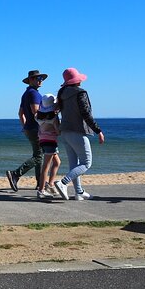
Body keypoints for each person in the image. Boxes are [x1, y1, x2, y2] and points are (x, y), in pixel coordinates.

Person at [53, 68, 105, 201]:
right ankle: (63, 183)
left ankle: (79, 192)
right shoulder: (80, 93)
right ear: (77, 80)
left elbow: (55, 111)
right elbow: (86, 113)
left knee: (74, 164)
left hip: (65, 132)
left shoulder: (62, 93)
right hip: (77, 132)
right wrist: (98, 130)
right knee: (86, 163)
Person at [6, 70, 46, 192]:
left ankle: (40, 183)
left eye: (41, 78)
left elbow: (20, 114)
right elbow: (36, 112)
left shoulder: (26, 93)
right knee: (39, 156)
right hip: (36, 128)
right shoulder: (34, 93)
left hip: (30, 128)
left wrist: (25, 126)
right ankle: (16, 174)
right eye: (37, 78)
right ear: (31, 80)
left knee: (39, 155)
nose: (40, 80)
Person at [36, 94, 61, 199]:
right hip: (51, 142)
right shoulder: (54, 118)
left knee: (57, 162)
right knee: (46, 166)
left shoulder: (38, 117)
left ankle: (50, 184)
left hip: (42, 141)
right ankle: (41, 190)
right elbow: (58, 131)